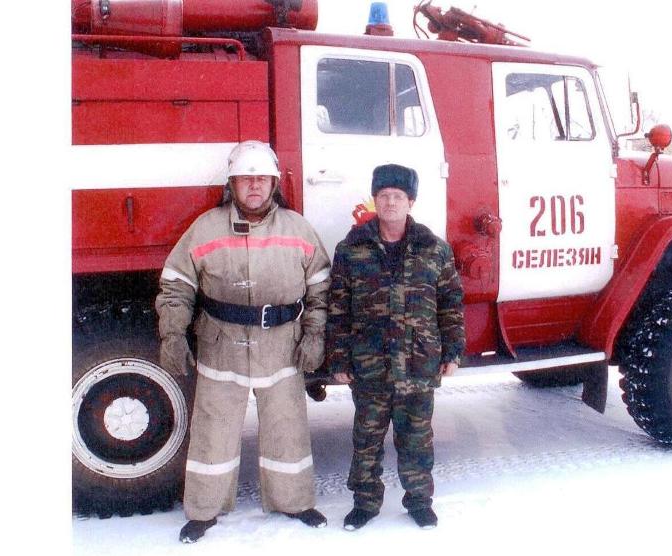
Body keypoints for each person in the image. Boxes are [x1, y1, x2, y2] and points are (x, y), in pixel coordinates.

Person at [156, 140, 331, 543]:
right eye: (245, 179)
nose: (254, 186)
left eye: (261, 179)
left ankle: (295, 502)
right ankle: (204, 510)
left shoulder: (298, 228)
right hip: (222, 345)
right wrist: (173, 334)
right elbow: (177, 286)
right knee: (213, 430)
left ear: (274, 183)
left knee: (287, 428)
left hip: (282, 346)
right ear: (231, 185)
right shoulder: (205, 228)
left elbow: (321, 288)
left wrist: (315, 336)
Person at [326, 163, 465, 530]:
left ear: (410, 202)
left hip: (419, 362)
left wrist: (452, 351)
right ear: (374, 200)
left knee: (417, 438)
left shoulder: (434, 249)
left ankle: (419, 501)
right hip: (369, 364)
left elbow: (450, 303)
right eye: (383, 196)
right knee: (366, 439)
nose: (390, 202)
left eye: (397, 196)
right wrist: (338, 357)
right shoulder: (351, 248)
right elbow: (338, 307)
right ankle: (365, 503)